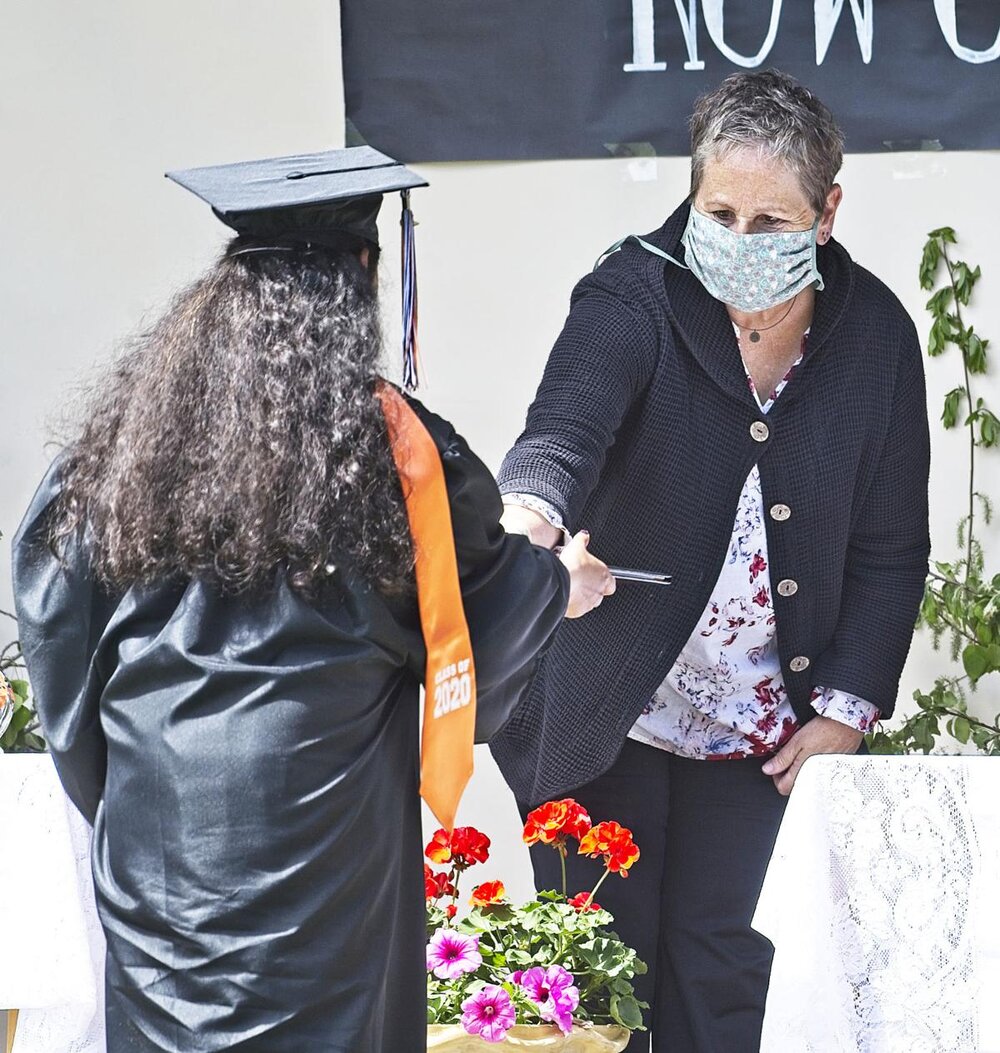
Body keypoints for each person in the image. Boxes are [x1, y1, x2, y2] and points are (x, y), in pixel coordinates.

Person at [11, 147, 614, 1053]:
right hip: (327, 857)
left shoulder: (122, 444)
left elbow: (59, 635)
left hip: (161, 852)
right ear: (362, 277)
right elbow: (481, 611)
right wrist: (561, 580)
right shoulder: (397, 458)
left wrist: (129, 793)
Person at [495, 70, 930, 1053]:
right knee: (596, 994)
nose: (736, 242)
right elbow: (563, 432)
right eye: (716, 210)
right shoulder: (631, 296)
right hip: (608, 712)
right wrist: (529, 524)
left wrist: (848, 709)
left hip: (762, 736)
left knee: (729, 991)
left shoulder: (874, 340)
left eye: (769, 221)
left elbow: (890, 547)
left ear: (826, 214)